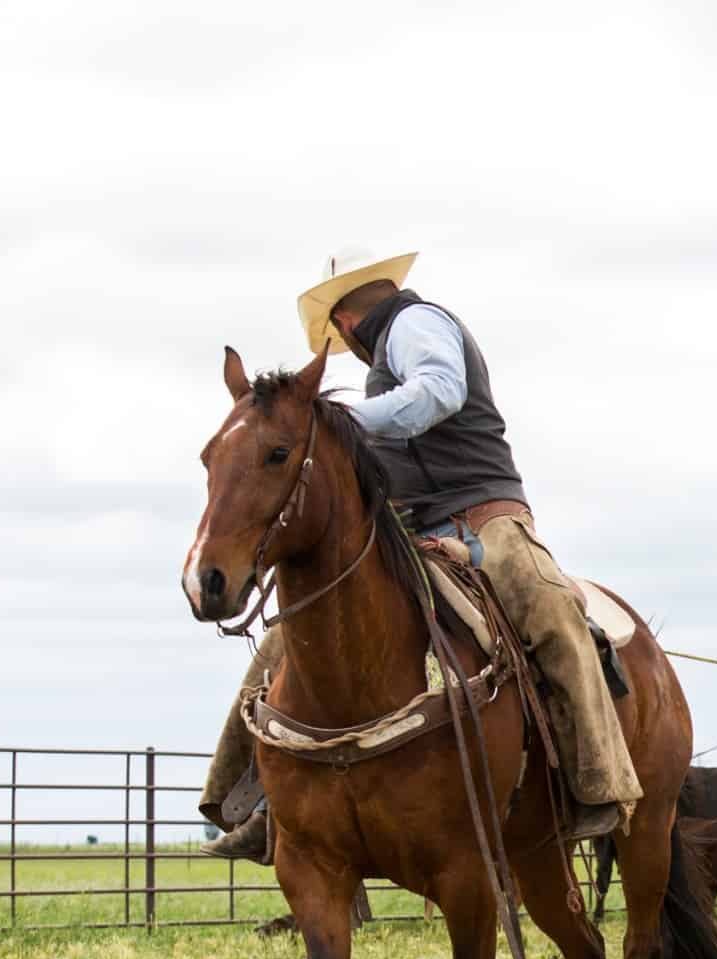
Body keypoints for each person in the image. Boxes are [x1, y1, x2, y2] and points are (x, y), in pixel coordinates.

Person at [199, 248, 636, 860]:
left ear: (346, 320)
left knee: (551, 612)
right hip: (410, 526)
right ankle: (256, 805)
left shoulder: (416, 324)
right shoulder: (381, 354)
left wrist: (341, 418)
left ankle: (600, 783)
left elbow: (439, 391)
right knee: (290, 638)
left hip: (486, 514)